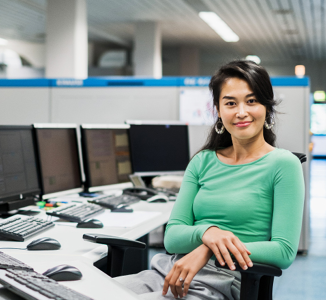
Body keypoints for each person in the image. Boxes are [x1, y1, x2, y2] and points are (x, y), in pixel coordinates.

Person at [115, 60, 305, 300]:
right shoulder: (202, 161)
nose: (241, 112)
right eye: (230, 103)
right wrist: (208, 232)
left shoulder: (283, 164)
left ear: (267, 106)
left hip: (221, 284)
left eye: (252, 101)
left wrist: (208, 249)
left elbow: (283, 251)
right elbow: (172, 238)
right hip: (169, 273)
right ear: (218, 109)